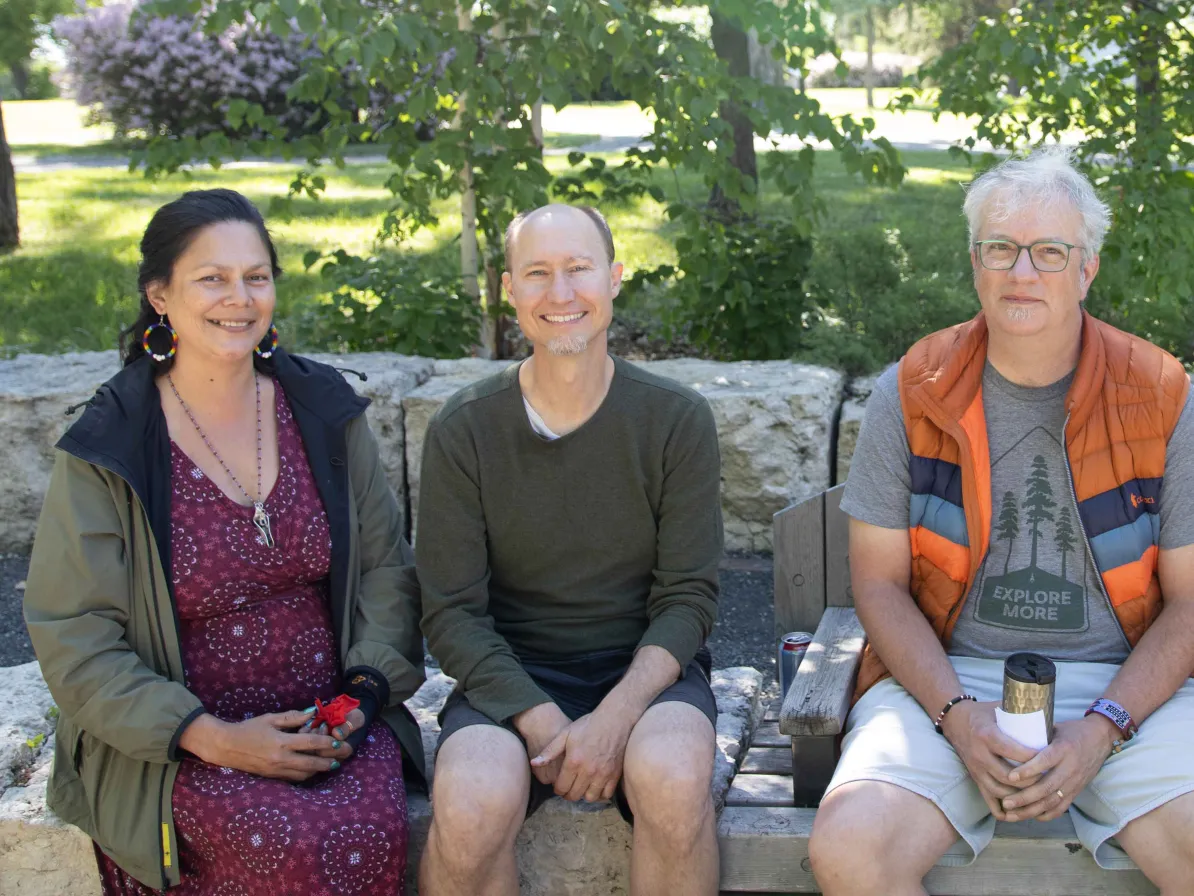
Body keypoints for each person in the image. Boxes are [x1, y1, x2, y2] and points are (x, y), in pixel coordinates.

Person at [807, 148, 1194, 895]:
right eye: (1001, 249)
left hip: (1123, 686)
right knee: (851, 847)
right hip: (952, 678)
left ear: (1088, 269)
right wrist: (957, 715)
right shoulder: (913, 390)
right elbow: (880, 587)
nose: (1023, 273)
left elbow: (1190, 603)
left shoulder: (1163, 395)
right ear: (974, 262)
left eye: (1050, 252)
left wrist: (1102, 726)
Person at [24, 189, 425, 895]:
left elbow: (386, 569)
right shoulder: (110, 445)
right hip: (177, 741)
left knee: (365, 830)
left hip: (331, 723)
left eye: (256, 276)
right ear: (159, 295)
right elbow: (74, 635)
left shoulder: (324, 411)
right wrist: (210, 734)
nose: (239, 298)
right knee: (293, 845)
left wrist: (361, 695)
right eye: (211, 278)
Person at [415, 204, 723, 896]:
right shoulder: (464, 430)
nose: (561, 294)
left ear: (614, 279)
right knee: (468, 806)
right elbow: (451, 612)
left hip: (646, 675)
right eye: (538, 274)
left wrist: (614, 719)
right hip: (510, 678)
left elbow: (687, 598)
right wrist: (541, 718)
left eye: (579, 270)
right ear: (509, 290)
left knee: (674, 784)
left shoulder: (675, 420)